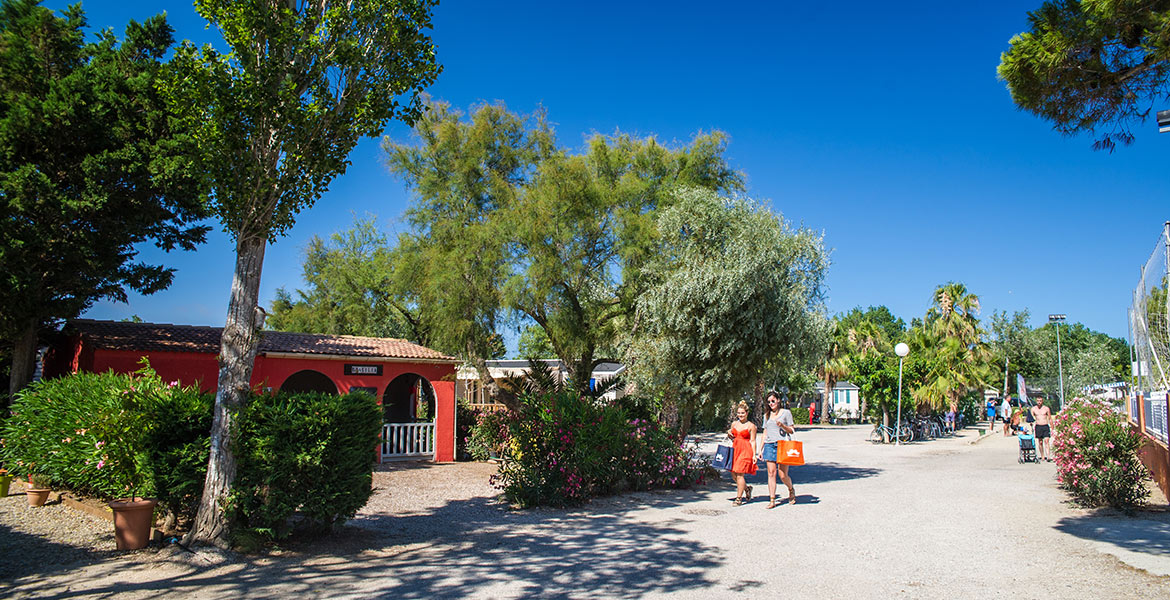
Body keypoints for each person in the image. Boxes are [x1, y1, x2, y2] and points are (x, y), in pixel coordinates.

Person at [756, 391, 797, 509]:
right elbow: (765, 432)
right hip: (770, 445)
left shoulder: (786, 413)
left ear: (778, 400)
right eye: (768, 402)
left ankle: (790, 489)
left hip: (782, 445)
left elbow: (792, 430)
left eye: (773, 401)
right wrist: (761, 449)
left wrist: (783, 426)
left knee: (783, 475)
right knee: (771, 473)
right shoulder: (767, 415)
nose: (771, 404)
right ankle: (772, 499)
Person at [726, 401, 758, 506]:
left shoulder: (751, 426)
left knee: (740, 474)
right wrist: (729, 434)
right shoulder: (734, 424)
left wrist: (754, 455)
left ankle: (739, 498)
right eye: (739, 413)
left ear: (747, 413)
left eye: (743, 413)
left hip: (745, 451)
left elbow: (753, 441)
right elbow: (732, 437)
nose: (741, 415)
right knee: (734, 475)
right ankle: (747, 489)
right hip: (735, 450)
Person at [1030, 397, 1053, 462]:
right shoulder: (1034, 409)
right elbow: (1031, 418)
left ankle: (1048, 456)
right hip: (1038, 426)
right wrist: (1031, 422)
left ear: (1042, 401)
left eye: (1040, 401)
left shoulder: (1046, 408)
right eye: (1038, 401)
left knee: (1046, 440)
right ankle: (1042, 456)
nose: (1039, 402)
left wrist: (1052, 427)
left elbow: (1050, 418)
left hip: (1045, 425)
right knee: (1040, 442)